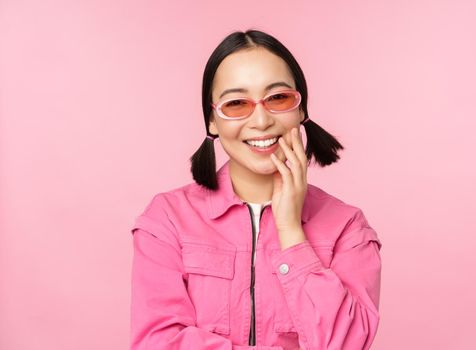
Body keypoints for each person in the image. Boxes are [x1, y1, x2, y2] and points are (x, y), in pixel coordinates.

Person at [129, 29, 383, 350]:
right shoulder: (166, 221)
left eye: (278, 98)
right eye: (236, 103)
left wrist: (291, 231)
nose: (261, 120)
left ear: (301, 110)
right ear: (212, 120)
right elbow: (157, 342)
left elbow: (346, 344)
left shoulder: (348, 228)